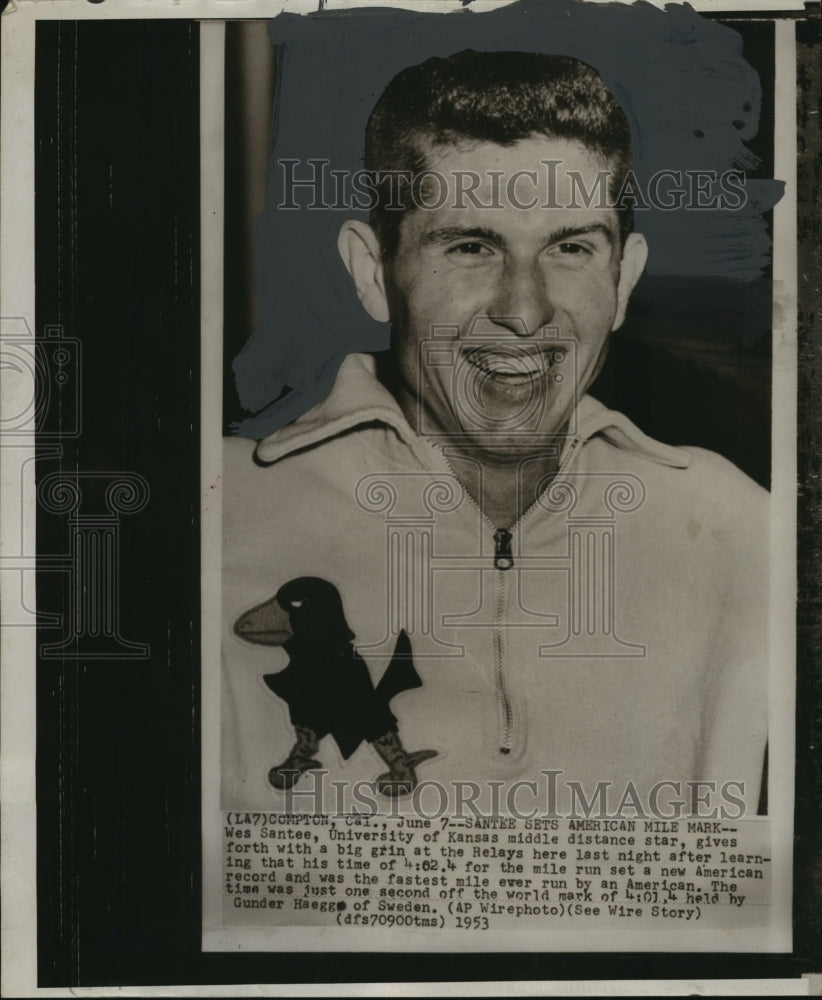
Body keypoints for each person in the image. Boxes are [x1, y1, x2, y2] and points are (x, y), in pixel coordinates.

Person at [221, 51, 768, 817]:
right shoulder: (216, 516)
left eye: (571, 248)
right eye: (470, 246)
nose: (524, 309)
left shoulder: (744, 531)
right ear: (375, 272)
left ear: (624, 279)